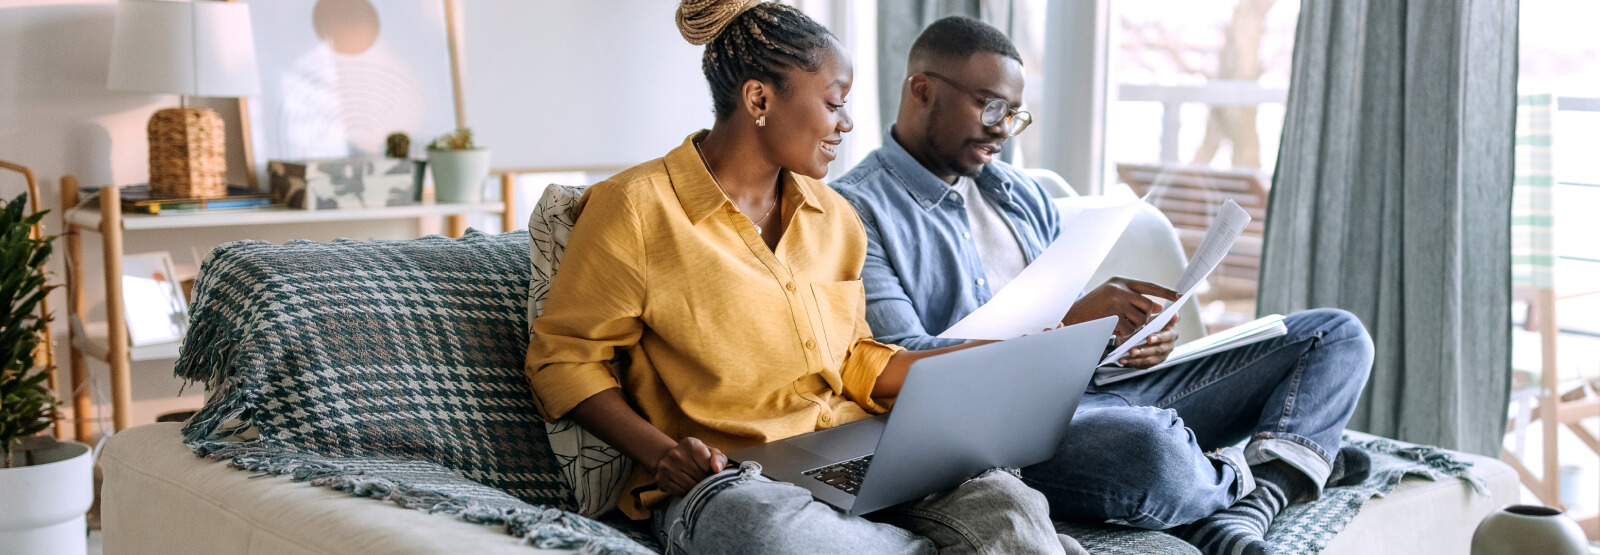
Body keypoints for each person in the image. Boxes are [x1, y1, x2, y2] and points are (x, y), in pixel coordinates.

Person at [526, 2, 1086, 553]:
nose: (847, 124)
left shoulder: (835, 215)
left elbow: (853, 358)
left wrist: (986, 363)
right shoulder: (636, 208)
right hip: (734, 478)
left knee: (1004, 499)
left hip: (855, 450)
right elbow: (564, 362)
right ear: (759, 98)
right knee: (762, 530)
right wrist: (661, 453)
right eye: (834, 103)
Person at [830, 16, 1375, 555]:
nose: (1001, 128)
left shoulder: (1020, 196)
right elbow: (897, 365)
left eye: (1015, 115)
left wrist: (1121, 341)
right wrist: (1065, 326)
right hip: (994, 437)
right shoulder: (854, 211)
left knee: (1334, 335)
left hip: (1094, 396)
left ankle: (1245, 496)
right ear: (922, 89)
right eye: (990, 106)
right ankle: (1278, 469)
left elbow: (1065, 336)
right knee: (1150, 448)